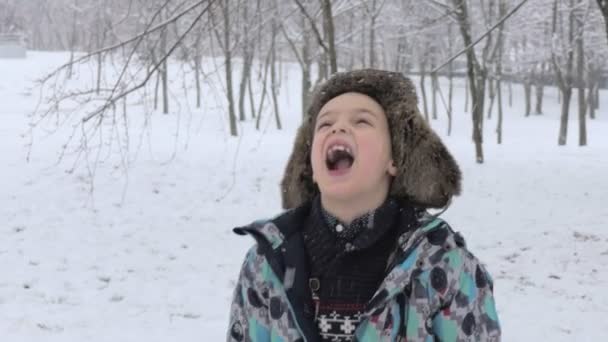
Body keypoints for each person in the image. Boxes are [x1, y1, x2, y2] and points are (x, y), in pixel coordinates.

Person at [226, 69, 500, 342]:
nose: (338, 127)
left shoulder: (444, 266)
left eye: (361, 121)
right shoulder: (267, 263)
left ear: (394, 159)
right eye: (325, 124)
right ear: (311, 164)